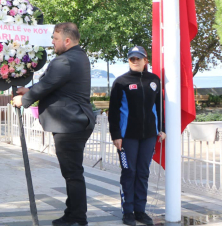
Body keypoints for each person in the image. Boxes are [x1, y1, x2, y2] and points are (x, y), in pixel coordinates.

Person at [12, 22, 95, 226]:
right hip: (75, 121)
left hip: (69, 124)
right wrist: (29, 89)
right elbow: (54, 83)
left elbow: (48, 84)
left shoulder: (64, 60)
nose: (52, 42)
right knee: (72, 172)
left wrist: (24, 100)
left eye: (55, 38)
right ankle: (72, 212)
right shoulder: (79, 56)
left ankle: (77, 218)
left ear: (67, 40)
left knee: (72, 173)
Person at [108, 46, 166, 226]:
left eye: (138, 58)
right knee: (129, 172)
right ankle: (128, 212)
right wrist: (116, 135)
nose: (135, 61)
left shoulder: (154, 80)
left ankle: (140, 211)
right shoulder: (121, 82)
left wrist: (161, 128)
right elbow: (113, 112)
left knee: (143, 172)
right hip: (127, 137)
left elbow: (159, 107)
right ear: (128, 61)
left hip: (149, 135)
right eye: (132, 58)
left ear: (145, 60)